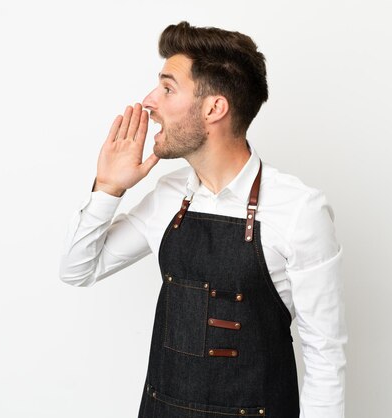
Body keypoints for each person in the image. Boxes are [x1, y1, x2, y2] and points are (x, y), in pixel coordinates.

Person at [59, 21, 346, 418]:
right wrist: (108, 187)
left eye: (167, 88)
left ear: (214, 108)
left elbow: (325, 357)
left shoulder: (300, 210)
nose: (149, 101)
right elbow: (78, 269)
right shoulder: (169, 196)